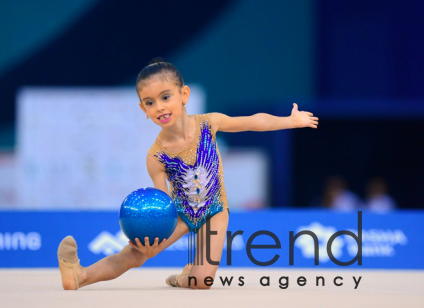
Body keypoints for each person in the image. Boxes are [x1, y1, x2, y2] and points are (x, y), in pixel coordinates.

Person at [57, 57, 319, 290]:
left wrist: (291, 121)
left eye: (165, 97)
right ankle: (80, 275)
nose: (159, 107)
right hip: (180, 215)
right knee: (134, 255)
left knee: (201, 282)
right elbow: (163, 204)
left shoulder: (209, 123)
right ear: (143, 110)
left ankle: (183, 278)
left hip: (215, 211)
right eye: (150, 102)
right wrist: (153, 239)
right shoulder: (155, 157)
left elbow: (252, 122)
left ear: (184, 94)